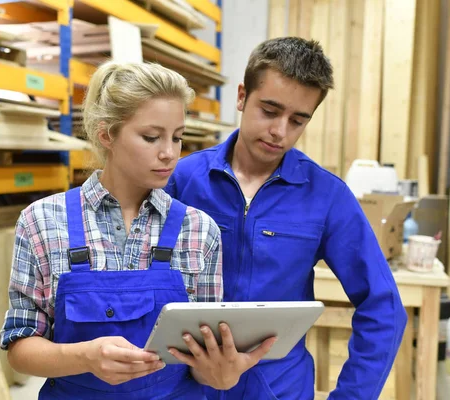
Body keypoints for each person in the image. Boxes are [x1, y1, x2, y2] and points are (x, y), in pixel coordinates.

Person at [0, 61, 277, 399]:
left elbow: (204, 364)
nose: (169, 153)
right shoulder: (42, 222)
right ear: (106, 134)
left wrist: (222, 374)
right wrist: (84, 357)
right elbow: (20, 348)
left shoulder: (199, 230)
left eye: (177, 138)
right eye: (151, 137)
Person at [165, 37, 408, 399]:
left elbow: (383, 306)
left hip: (277, 388)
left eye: (298, 120)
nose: (280, 130)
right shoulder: (182, 180)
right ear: (242, 96)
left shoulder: (327, 196)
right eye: (269, 110)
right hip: (184, 385)